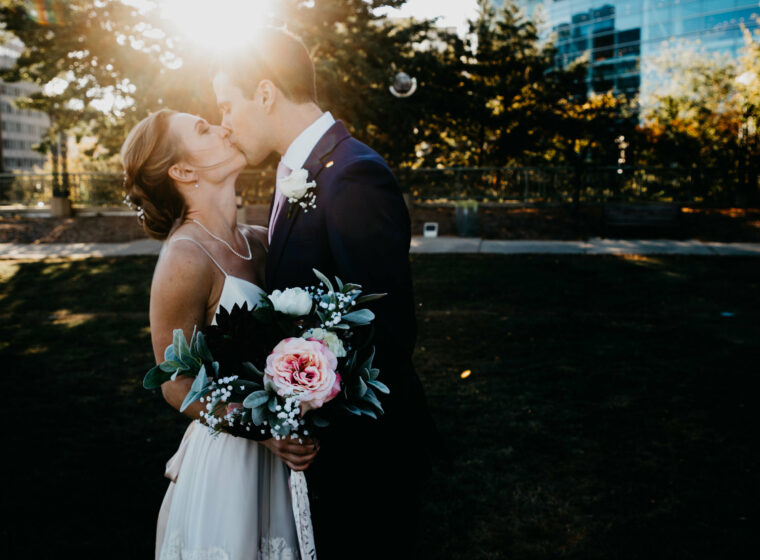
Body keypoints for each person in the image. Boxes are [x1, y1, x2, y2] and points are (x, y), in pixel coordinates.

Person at [212, 28, 435, 558]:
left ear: (264, 93)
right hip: (321, 453)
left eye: (226, 105)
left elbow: (388, 329)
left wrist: (316, 415)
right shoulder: (294, 170)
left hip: (365, 458)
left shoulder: (353, 175)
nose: (224, 122)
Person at [121, 108, 315, 559]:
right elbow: (175, 384)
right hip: (232, 462)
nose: (224, 127)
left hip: (286, 457)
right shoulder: (184, 257)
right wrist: (260, 427)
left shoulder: (260, 239)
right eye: (204, 129)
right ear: (182, 170)